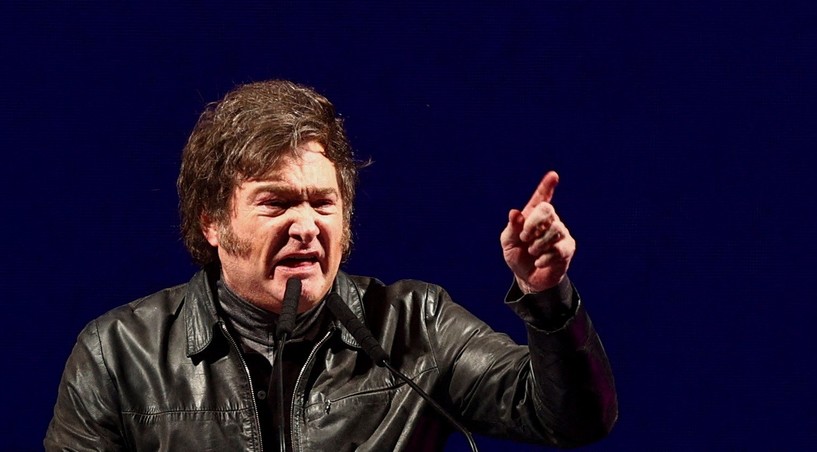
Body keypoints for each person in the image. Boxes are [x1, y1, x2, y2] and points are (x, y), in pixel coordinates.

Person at [45, 80, 617, 451]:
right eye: (275, 202)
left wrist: (547, 298)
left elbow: (572, 420)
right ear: (211, 222)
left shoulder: (416, 325)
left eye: (323, 202)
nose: (306, 224)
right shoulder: (119, 353)